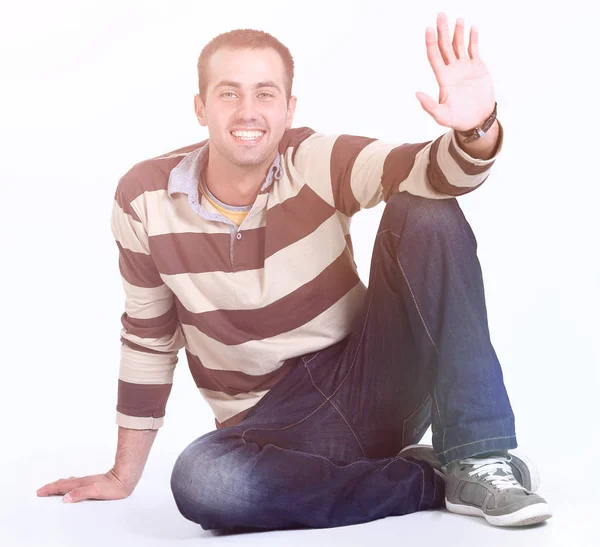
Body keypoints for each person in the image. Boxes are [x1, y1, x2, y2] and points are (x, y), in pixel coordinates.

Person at [36, 13, 552, 529]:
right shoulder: (144, 199)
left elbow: (425, 170)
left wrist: (475, 129)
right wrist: (124, 475)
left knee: (423, 207)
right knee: (203, 480)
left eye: (265, 94)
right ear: (200, 107)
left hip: (368, 381)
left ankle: (479, 456)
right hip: (269, 424)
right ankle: (428, 481)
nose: (248, 110)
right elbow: (149, 337)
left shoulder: (314, 159)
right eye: (228, 93)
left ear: (288, 109)